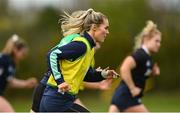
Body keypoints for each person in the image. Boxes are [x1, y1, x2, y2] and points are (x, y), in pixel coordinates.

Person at [39, 8, 118, 112]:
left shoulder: (89, 48)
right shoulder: (82, 45)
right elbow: (52, 55)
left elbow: (86, 75)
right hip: (56, 100)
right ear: (94, 27)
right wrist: (60, 81)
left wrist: (103, 74)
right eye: (106, 28)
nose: (107, 32)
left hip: (60, 100)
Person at [109, 20, 161, 112]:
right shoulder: (140, 54)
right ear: (146, 39)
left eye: (160, 42)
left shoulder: (147, 58)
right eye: (156, 41)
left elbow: (139, 74)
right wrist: (133, 88)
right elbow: (124, 68)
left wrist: (153, 72)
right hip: (126, 97)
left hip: (123, 96)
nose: (159, 44)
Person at [0, 34, 37, 112]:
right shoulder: (4, 60)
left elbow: (10, 81)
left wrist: (26, 83)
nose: (23, 56)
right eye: (23, 54)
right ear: (15, 49)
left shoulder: (11, 62)